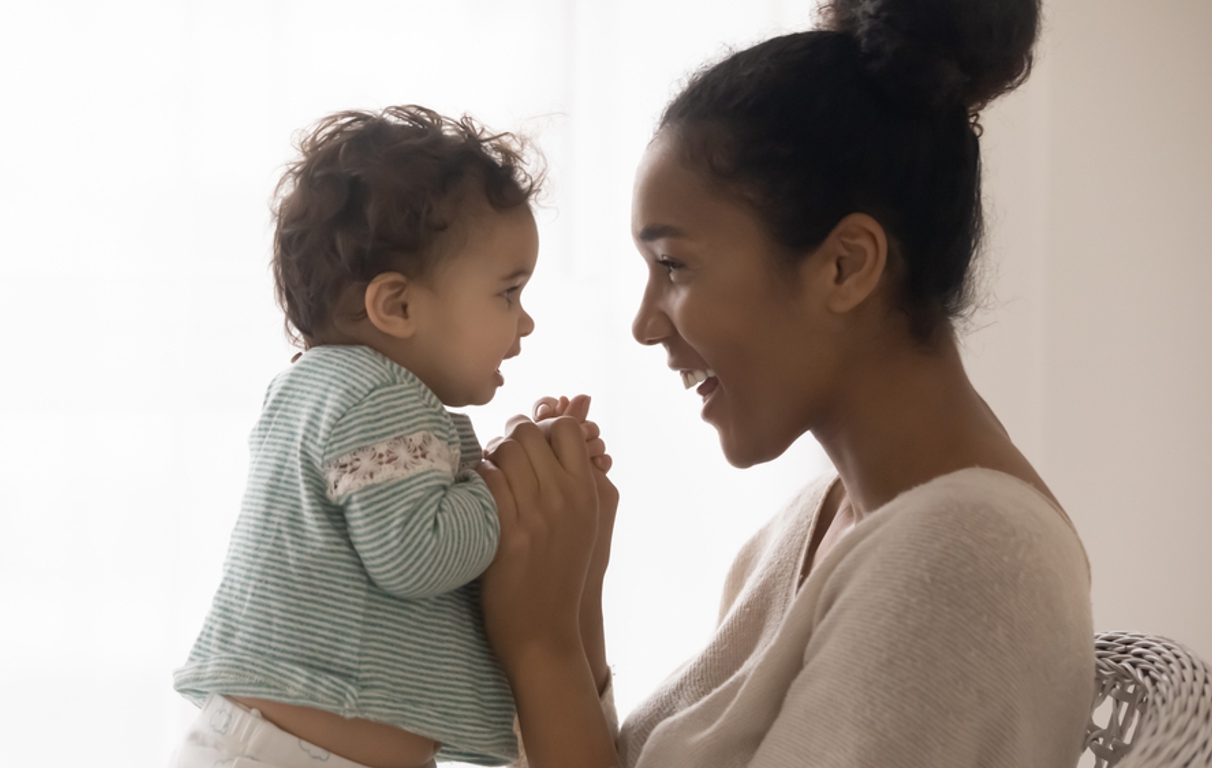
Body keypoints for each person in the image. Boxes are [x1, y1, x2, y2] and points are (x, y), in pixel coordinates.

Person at [475, 0, 1095, 765]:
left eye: (674, 265)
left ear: (846, 266)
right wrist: (572, 610)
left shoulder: (969, 561)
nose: (645, 323)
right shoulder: (814, 527)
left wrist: (542, 648)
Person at [169, 105, 608, 768]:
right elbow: (416, 553)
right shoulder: (378, 396)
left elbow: (400, 514)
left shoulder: (337, 391)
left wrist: (503, 468)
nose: (526, 324)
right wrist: (514, 487)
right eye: (508, 294)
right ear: (397, 307)